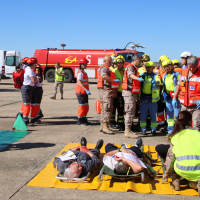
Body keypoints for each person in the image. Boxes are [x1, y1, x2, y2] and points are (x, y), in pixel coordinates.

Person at [163, 111, 200, 195]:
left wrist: (167, 174)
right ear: (191, 122)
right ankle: (195, 183)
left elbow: (170, 159)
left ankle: (176, 181)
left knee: (175, 159)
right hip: (199, 170)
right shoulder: (198, 134)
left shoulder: (175, 137)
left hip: (181, 169)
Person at [173, 56, 200, 131]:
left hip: (196, 107)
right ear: (187, 65)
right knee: (184, 126)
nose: (191, 69)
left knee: (196, 126)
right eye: (190, 66)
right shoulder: (184, 72)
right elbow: (179, 85)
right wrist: (174, 98)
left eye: (194, 67)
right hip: (184, 106)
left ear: (197, 64)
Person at [122, 54, 144, 139]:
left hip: (132, 93)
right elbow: (130, 75)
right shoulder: (130, 67)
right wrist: (137, 78)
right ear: (135, 60)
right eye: (139, 61)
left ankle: (129, 129)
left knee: (132, 111)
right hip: (128, 93)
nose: (140, 62)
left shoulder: (135, 68)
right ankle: (127, 131)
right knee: (130, 111)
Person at [97, 55, 120, 134]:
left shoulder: (107, 68)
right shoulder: (104, 68)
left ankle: (103, 125)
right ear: (105, 61)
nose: (111, 62)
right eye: (109, 61)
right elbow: (104, 76)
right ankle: (105, 126)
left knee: (105, 108)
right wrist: (114, 80)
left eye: (111, 61)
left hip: (108, 91)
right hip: (105, 91)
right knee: (107, 108)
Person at [139, 61, 161, 135]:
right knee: (143, 115)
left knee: (153, 115)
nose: (148, 69)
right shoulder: (142, 75)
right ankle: (143, 129)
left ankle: (153, 129)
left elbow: (159, 81)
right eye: (147, 67)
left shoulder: (155, 76)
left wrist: (156, 82)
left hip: (153, 99)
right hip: (143, 98)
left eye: (150, 67)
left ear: (152, 68)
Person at [162, 59, 180, 136]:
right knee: (169, 116)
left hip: (176, 98)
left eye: (168, 66)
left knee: (178, 115)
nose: (166, 68)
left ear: (171, 66)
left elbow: (179, 86)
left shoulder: (177, 75)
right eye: (165, 67)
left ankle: (179, 130)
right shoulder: (164, 76)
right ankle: (170, 130)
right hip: (168, 97)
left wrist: (175, 97)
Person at [20, 57, 38, 125]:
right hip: (27, 88)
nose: (35, 65)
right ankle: (25, 120)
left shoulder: (28, 69)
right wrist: (36, 80)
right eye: (35, 64)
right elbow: (33, 80)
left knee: (26, 103)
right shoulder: (29, 70)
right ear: (32, 64)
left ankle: (22, 116)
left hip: (28, 88)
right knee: (27, 104)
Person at [110, 55, 125, 131]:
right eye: (118, 63)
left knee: (121, 108)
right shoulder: (114, 71)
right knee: (113, 108)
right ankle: (112, 122)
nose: (119, 64)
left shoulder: (125, 71)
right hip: (115, 92)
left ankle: (121, 123)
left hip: (123, 93)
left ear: (123, 63)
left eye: (121, 63)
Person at [75, 58, 91, 125]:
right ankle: (80, 120)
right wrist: (86, 89)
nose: (86, 65)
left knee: (86, 106)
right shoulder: (80, 73)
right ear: (81, 65)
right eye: (85, 64)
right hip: (81, 92)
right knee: (81, 106)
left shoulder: (84, 72)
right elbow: (80, 83)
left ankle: (84, 119)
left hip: (84, 92)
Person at [154, 55, 168, 131]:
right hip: (158, 93)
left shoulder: (168, 71)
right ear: (160, 62)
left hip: (167, 92)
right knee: (160, 109)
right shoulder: (156, 71)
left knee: (168, 109)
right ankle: (161, 123)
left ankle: (168, 123)